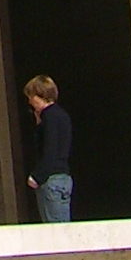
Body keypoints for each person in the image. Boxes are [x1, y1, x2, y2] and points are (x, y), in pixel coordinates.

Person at [24, 73, 74, 223]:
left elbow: (50, 149)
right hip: (64, 178)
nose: (30, 101)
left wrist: (37, 176)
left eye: (31, 96)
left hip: (51, 180)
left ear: (40, 95)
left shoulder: (49, 116)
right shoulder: (61, 115)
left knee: (55, 231)